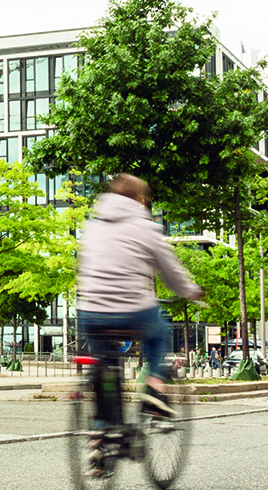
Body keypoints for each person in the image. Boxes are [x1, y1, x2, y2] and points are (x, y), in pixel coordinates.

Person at [75, 174, 204, 426]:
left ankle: (100, 433)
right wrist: (191, 291)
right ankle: (155, 388)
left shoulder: (92, 225)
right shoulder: (145, 226)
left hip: (89, 311)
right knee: (160, 332)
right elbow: (171, 274)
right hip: (132, 309)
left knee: (104, 361)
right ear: (139, 198)